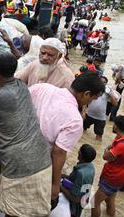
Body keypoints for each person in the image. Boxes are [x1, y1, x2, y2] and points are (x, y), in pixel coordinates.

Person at [0, 53, 52, 217]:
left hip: (20, 164)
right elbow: (5, 98)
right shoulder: (21, 85)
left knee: (13, 213)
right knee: (30, 212)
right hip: (41, 156)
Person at [29, 72, 105, 209]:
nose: (90, 103)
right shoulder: (75, 121)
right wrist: (54, 185)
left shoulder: (42, 88)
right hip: (37, 167)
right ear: (86, 94)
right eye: (93, 99)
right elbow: (58, 152)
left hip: (14, 156)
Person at [91, 116, 124, 217]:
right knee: (109, 200)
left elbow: (105, 157)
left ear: (116, 126)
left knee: (94, 202)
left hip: (113, 177)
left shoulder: (121, 145)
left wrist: (107, 149)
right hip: (121, 176)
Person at [60, 144, 96, 217]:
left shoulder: (80, 173)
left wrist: (59, 186)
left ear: (80, 155)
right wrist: (63, 176)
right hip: (84, 199)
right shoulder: (91, 167)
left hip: (75, 206)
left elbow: (75, 199)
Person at [83, 76, 119, 141]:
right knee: (82, 130)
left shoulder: (108, 91)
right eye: (100, 81)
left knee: (99, 138)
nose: (102, 84)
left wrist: (110, 94)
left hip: (100, 118)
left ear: (106, 84)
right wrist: (83, 112)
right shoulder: (92, 89)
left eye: (104, 82)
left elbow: (115, 104)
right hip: (88, 115)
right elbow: (85, 101)